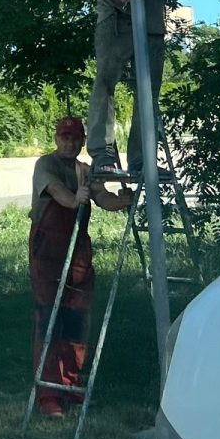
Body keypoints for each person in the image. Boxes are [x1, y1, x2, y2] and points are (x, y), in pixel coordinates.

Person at [29, 115, 133, 416]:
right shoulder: (45, 165)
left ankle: (70, 385)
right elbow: (60, 194)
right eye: (64, 137)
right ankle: (48, 393)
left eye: (75, 138)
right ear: (56, 138)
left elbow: (103, 198)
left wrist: (122, 200)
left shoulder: (86, 171)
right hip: (47, 249)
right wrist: (76, 199)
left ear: (82, 141)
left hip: (78, 251)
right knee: (49, 317)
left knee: (76, 318)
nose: (69, 142)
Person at [80, 0, 168, 174]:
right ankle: (102, 153)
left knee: (149, 92)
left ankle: (142, 159)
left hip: (151, 22)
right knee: (105, 81)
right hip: (115, 20)